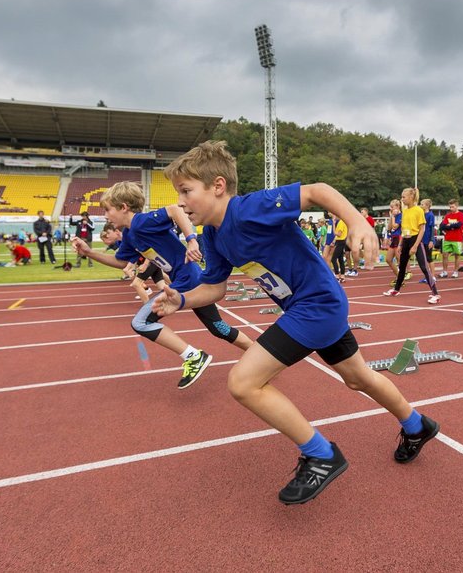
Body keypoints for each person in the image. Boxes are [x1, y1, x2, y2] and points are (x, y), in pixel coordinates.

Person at [153, 140, 439, 505]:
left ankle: (321, 454)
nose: (180, 202)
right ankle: (418, 426)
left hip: (316, 305)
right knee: (357, 377)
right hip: (309, 308)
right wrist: (181, 299)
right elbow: (215, 288)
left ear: (218, 186)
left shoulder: (248, 209)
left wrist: (357, 222)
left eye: (186, 191)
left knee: (243, 382)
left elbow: (318, 191)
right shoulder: (213, 234)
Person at [74, 181, 254, 389]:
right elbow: (122, 262)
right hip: (189, 279)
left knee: (141, 322)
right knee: (218, 327)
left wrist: (192, 239)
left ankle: (193, 356)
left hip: (186, 280)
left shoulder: (141, 222)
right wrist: (89, 253)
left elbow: (175, 211)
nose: (105, 216)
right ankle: (258, 354)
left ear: (123, 207)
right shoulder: (131, 235)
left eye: (107, 209)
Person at [384, 187, 440, 304]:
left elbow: (422, 229)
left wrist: (415, 246)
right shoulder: (405, 212)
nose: (402, 199)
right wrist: (400, 244)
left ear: (411, 197)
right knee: (402, 266)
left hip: (416, 240)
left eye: (404, 197)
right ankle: (396, 289)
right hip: (406, 240)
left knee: (424, 267)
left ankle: (435, 293)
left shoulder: (418, 210)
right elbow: (404, 229)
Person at [438, 199, 463, 279]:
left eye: (453, 207)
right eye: (450, 207)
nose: (451, 209)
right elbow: (442, 226)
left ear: (457, 206)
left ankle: (455, 272)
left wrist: (449, 226)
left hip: (457, 239)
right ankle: (445, 271)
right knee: (445, 255)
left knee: (457, 256)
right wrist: (451, 226)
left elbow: (459, 225)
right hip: (447, 238)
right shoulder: (448, 216)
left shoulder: (461, 215)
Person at [385, 198, 403, 284]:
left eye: (392, 207)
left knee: (399, 259)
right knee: (388, 259)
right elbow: (389, 228)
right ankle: (399, 276)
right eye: (390, 207)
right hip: (393, 238)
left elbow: (395, 226)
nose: (391, 209)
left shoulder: (401, 215)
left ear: (398, 207)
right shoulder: (394, 216)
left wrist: (392, 217)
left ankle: (400, 279)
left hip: (399, 237)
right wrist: (391, 217)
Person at [330, 211, 349, 282]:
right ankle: (342, 276)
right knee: (340, 259)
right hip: (340, 241)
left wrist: (334, 224)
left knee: (333, 259)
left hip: (341, 242)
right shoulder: (342, 222)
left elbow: (338, 234)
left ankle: (337, 275)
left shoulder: (341, 222)